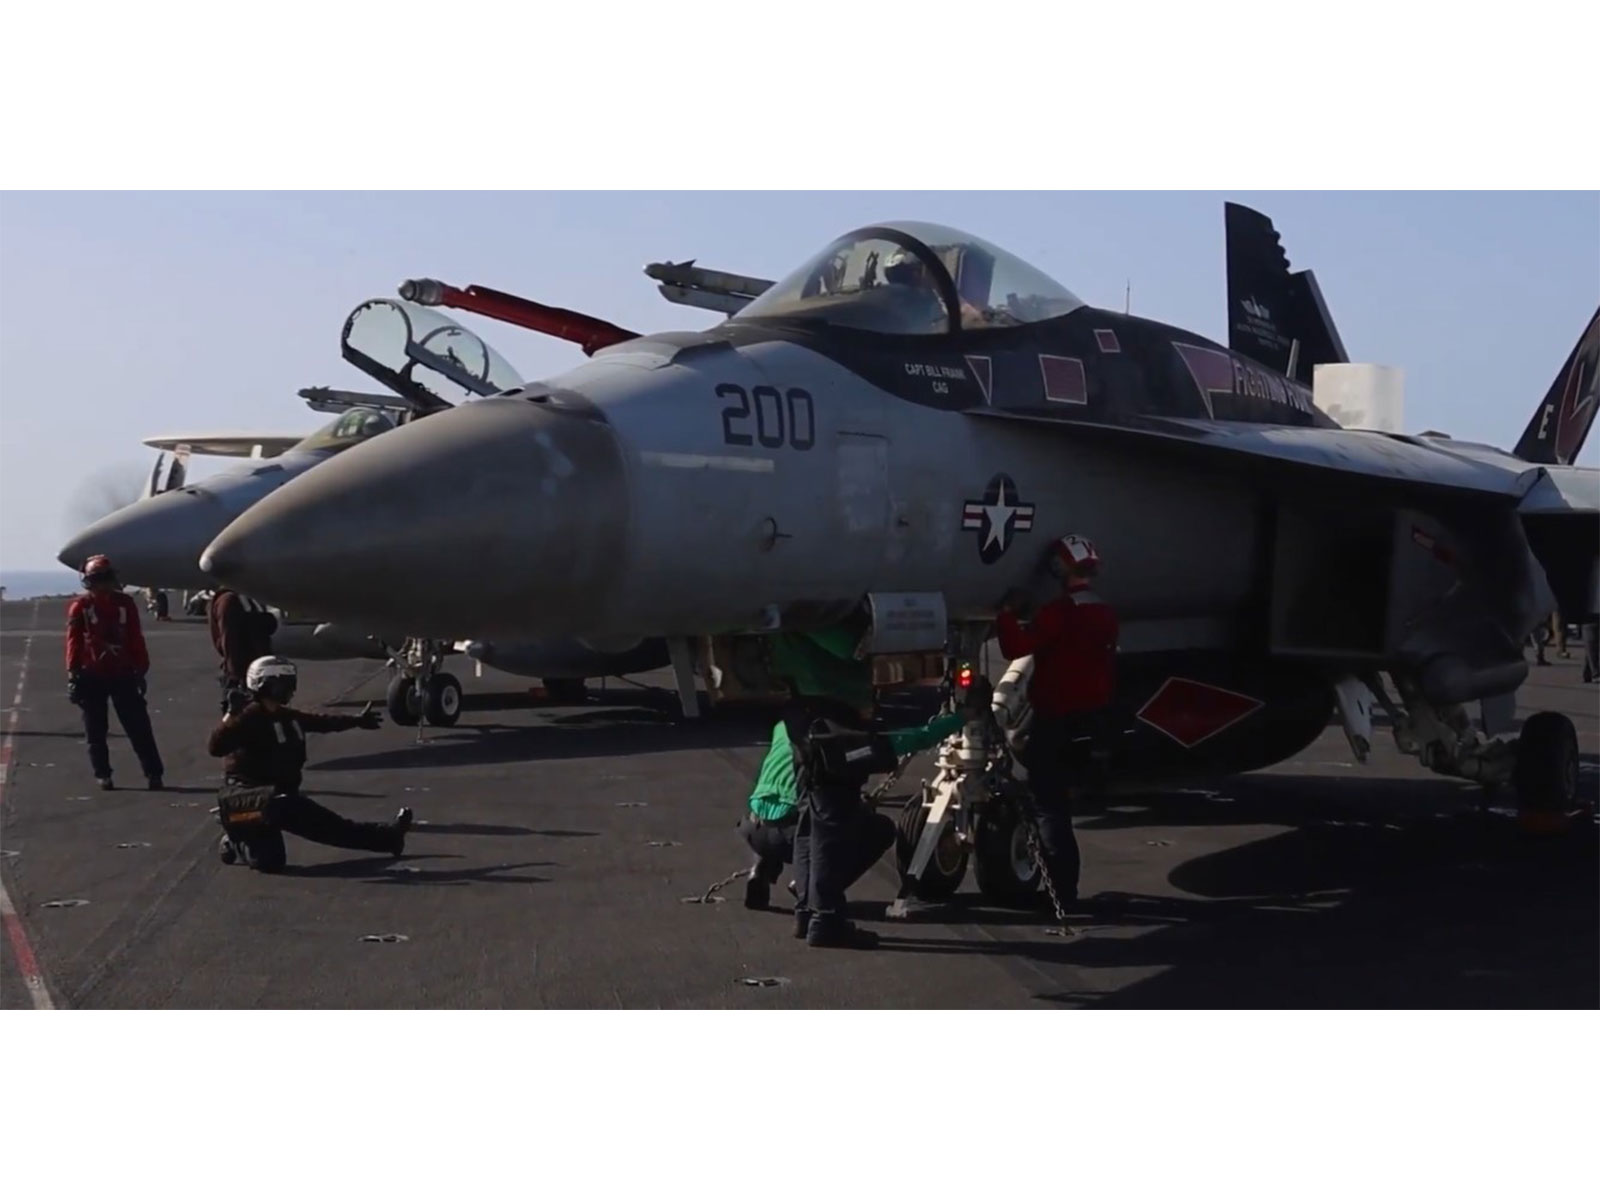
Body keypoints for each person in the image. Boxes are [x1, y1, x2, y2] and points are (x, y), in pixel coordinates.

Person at [995, 534, 1119, 909]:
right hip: (1090, 724)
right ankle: (1066, 887)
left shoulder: (1059, 613)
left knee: (1049, 811)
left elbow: (1014, 648)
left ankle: (1060, 893)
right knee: (1061, 805)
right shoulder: (1105, 612)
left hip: (1053, 722)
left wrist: (1006, 614)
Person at [208, 655, 411, 872]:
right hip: (250, 796)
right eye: (282, 681)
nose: (289, 687)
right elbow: (215, 747)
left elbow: (321, 722)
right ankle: (234, 840)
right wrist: (230, 715)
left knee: (330, 827)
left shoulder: (285, 716)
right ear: (264, 684)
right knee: (270, 861)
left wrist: (356, 721)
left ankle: (390, 838)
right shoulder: (247, 717)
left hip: (281, 797)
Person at [65, 555, 165, 791]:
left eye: (106, 579)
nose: (104, 585)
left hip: (122, 673)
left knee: (139, 728)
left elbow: (135, 637)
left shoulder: (125, 605)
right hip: (92, 675)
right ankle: (104, 774)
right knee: (96, 731)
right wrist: (73, 673)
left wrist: (141, 669)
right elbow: (74, 642)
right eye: (99, 579)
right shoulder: (81, 607)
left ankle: (153, 773)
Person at [208, 588, 279, 713]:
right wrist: (236, 674)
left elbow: (267, 625)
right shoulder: (229, 601)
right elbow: (229, 639)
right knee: (240, 718)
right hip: (243, 672)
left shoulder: (247, 598)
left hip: (257, 668)